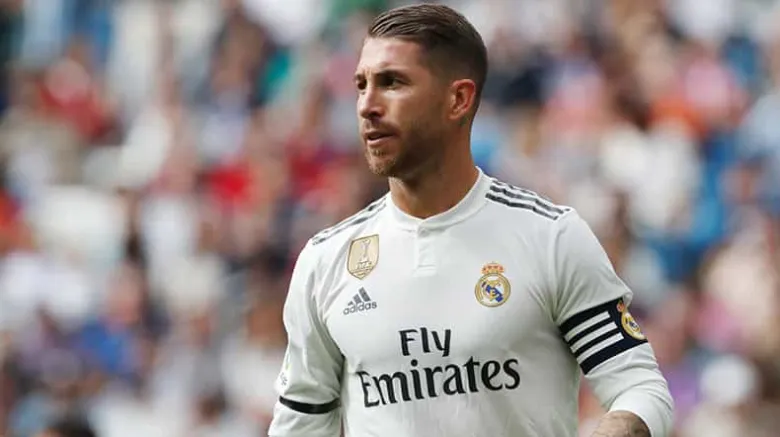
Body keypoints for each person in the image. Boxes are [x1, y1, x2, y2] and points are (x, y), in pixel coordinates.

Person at [268, 4, 673, 437]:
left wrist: (619, 427)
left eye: (392, 83)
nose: (367, 105)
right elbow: (300, 426)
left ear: (458, 99)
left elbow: (639, 387)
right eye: (361, 85)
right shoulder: (325, 261)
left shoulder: (549, 237)